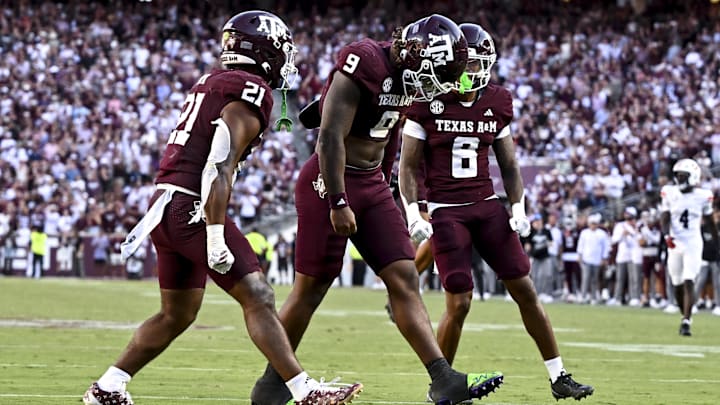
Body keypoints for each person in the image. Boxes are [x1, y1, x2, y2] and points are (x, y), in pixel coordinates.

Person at [83, 11, 362, 405]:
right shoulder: (250, 89)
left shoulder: (213, 80)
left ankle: (108, 386)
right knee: (259, 294)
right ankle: (303, 390)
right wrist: (214, 232)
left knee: (177, 313)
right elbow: (219, 160)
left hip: (165, 204)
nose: (287, 60)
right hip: (192, 206)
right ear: (264, 50)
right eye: (283, 51)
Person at [252, 14, 504, 405]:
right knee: (311, 288)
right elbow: (330, 136)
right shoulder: (364, 61)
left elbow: (388, 135)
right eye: (436, 72)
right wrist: (338, 200)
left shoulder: (407, 75)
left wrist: (382, 186)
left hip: (370, 183)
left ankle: (443, 379)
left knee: (405, 276)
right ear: (418, 53)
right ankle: (271, 383)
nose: (435, 85)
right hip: (329, 180)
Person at [398, 23, 594, 401]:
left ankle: (559, 376)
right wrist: (412, 211)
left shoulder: (498, 100)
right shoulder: (426, 103)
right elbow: (406, 167)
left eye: (476, 65)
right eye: (465, 65)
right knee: (460, 302)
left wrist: (518, 206)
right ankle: (441, 386)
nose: (471, 73)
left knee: (526, 289)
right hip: (446, 210)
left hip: (487, 207)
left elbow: (510, 165)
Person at [660, 158, 718, 336]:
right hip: (674, 242)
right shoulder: (669, 192)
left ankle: (686, 320)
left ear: (693, 177)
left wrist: (717, 240)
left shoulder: (703, 195)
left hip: (693, 242)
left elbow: (709, 221)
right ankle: (684, 314)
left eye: (684, 176)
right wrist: (666, 235)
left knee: (688, 279)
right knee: (676, 283)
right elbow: (665, 216)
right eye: (678, 176)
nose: (680, 179)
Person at [577, 213, 611, 304]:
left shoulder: (602, 234)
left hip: (597, 260)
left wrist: (604, 258)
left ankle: (593, 297)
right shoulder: (584, 233)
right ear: (589, 224)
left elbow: (605, 247)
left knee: (595, 279)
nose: (593, 225)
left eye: (595, 223)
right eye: (592, 223)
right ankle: (583, 296)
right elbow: (580, 245)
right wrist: (579, 256)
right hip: (586, 259)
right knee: (585, 278)